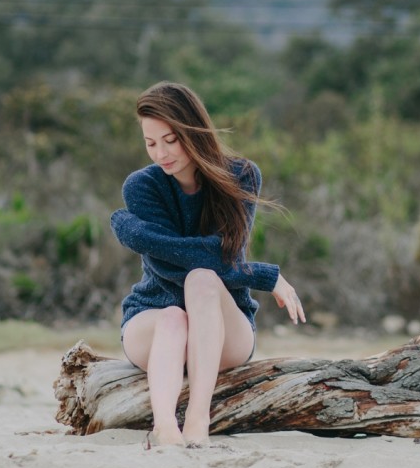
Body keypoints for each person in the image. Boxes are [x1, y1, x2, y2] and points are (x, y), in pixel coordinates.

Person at [110, 81, 305, 447]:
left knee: (201, 278)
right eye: (150, 144)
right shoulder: (141, 186)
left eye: (170, 140)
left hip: (226, 327)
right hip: (154, 320)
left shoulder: (241, 175)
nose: (161, 154)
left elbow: (219, 259)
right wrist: (265, 275)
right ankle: (165, 427)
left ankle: (198, 420)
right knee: (173, 314)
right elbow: (167, 267)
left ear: (193, 130)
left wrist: (137, 235)